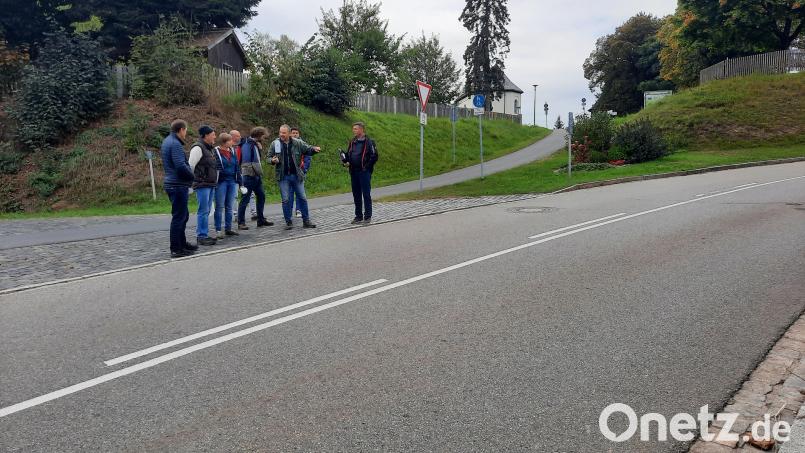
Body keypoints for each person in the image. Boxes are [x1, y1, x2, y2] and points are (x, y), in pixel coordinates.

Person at [269, 124, 321, 230]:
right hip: (283, 177)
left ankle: (306, 221)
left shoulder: (298, 143)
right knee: (286, 200)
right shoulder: (275, 143)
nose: (281, 134)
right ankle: (288, 222)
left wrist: (314, 149)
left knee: (302, 197)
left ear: (289, 133)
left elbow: (308, 149)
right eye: (280, 132)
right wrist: (272, 160)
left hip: (297, 175)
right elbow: (268, 157)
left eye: (283, 133)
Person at [160, 119, 198, 258]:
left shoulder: (168, 141)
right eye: (186, 131)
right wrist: (192, 176)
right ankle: (176, 248)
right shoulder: (175, 144)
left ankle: (182, 244)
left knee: (183, 215)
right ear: (181, 129)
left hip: (174, 184)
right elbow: (180, 165)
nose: (186, 134)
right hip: (177, 185)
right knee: (179, 217)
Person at [238, 127, 273, 229]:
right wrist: (260, 172)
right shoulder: (248, 145)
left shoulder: (253, 144)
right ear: (259, 135)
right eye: (263, 136)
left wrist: (259, 149)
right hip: (249, 176)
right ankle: (241, 222)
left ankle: (260, 219)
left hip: (255, 176)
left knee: (261, 196)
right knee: (245, 199)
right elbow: (249, 162)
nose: (264, 138)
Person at [189, 125, 219, 246]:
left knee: (207, 211)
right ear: (206, 135)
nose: (215, 136)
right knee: (203, 210)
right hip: (202, 184)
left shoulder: (209, 148)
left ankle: (204, 234)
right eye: (213, 134)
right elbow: (190, 166)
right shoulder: (198, 148)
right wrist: (189, 184)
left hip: (210, 184)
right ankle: (201, 236)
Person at [344, 121, 378, 224]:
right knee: (356, 194)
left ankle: (367, 216)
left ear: (362, 129)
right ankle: (358, 216)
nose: (353, 130)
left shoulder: (369, 142)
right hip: (353, 171)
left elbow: (374, 156)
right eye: (353, 129)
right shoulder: (352, 141)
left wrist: (366, 167)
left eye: (355, 129)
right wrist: (345, 160)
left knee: (366, 194)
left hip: (364, 172)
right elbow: (349, 154)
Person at [213, 133, 241, 239]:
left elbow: (237, 166)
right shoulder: (216, 152)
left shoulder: (232, 151)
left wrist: (239, 181)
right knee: (219, 206)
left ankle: (228, 228)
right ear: (225, 142)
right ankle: (218, 229)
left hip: (232, 181)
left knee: (229, 206)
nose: (232, 142)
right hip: (221, 182)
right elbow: (216, 166)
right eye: (230, 140)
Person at [290, 127, 311, 218]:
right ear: (290, 134)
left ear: (299, 134)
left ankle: (298, 209)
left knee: (299, 192)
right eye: (293, 133)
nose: (294, 134)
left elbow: (308, 158)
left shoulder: (303, 144)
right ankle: (288, 210)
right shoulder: (288, 144)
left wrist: (304, 169)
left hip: (301, 171)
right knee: (290, 192)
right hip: (290, 172)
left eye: (296, 133)